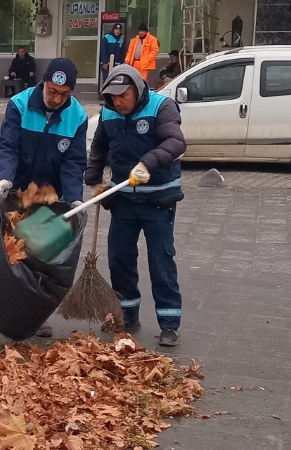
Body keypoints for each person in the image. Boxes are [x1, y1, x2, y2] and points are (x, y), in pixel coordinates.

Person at [0, 57, 89, 338]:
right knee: (4, 252)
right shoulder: (20, 105)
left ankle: (34, 313)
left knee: (39, 255)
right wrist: (5, 177)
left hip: (47, 197)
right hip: (14, 190)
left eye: (64, 95)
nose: (56, 99)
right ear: (44, 83)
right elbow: (8, 145)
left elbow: (73, 162)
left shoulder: (77, 116)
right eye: (52, 91)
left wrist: (74, 198)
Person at [85, 64, 186, 346]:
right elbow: (100, 148)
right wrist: (94, 179)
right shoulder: (109, 112)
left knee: (160, 261)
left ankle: (169, 324)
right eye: (113, 97)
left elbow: (176, 142)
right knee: (119, 258)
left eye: (124, 95)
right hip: (124, 201)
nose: (119, 101)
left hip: (158, 200)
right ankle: (127, 314)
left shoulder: (161, 107)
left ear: (137, 89)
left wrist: (148, 163)